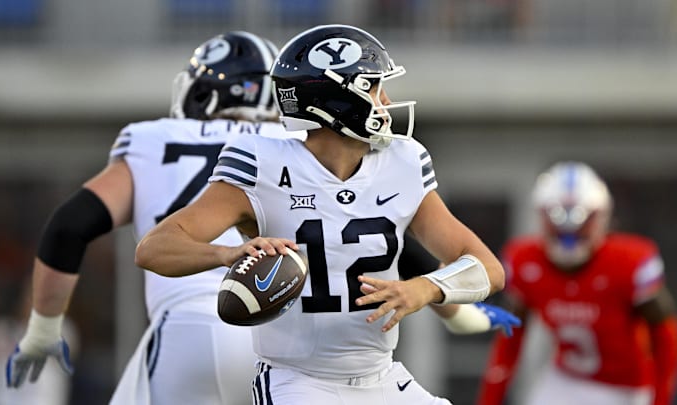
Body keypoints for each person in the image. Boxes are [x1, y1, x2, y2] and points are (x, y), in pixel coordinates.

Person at [135, 24, 506, 405]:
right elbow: (154, 248)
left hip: (383, 376)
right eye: (374, 88)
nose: (386, 100)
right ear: (338, 101)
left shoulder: (404, 162)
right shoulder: (263, 164)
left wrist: (426, 288)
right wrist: (227, 254)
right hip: (298, 383)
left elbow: (488, 269)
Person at [5, 31, 293, 405]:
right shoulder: (294, 145)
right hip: (282, 337)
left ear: (202, 91)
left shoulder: (154, 138)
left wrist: (43, 330)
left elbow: (69, 226)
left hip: (187, 330)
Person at [476, 161, 677, 405]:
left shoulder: (629, 262)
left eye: (581, 221)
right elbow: (511, 337)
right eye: (557, 219)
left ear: (602, 218)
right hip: (567, 379)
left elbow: (666, 334)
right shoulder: (525, 261)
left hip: (627, 387)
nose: (568, 233)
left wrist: (661, 400)